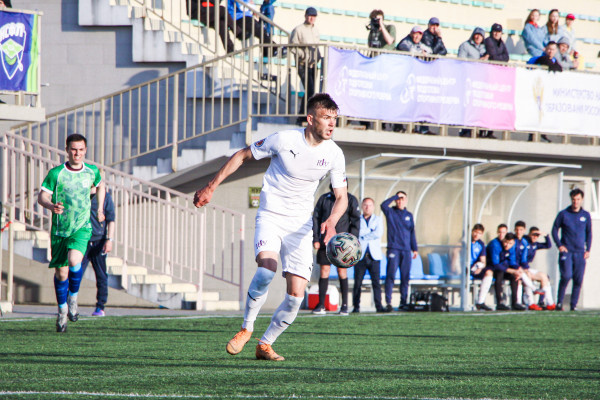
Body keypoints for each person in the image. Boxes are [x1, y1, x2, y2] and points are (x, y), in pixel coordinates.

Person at [193, 93, 347, 361]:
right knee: (266, 270)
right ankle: (246, 328)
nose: (332, 123)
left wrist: (332, 221)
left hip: (300, 227)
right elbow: (242, 155)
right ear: (311, 119)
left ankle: (265, 344)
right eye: (326, 117)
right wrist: (211, 186)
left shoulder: (334, 153)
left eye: (335, 118)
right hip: (271, 216)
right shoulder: (284, 139)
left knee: (296, 297)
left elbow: (341, 196)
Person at [37, 134, 105, 332]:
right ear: (67, 150)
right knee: (61, 273)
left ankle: (73, 299)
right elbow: (42, 196)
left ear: (85, 150)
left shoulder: (91, 171)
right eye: (74, 149)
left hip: (81, 227)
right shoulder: (56, 173)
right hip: (60, 230)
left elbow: (101, 186)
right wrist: (51, 206)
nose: (77, 153)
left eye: (81, 149)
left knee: (75, 261)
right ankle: (62, 310)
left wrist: (100, 208)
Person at [312, 184, 360, 316]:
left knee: (342, 271)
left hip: (343, 245)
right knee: (324, 271)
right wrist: (316, 238)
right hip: (325, 241)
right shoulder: (324, 199)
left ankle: (344, 306)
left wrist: (352, 241)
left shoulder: (350, 199)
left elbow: (356, 221)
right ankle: (321, 305)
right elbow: (316, 218)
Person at [552, 188, 592, 311]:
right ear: (571, 199)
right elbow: (554, 229)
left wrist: (588, 249)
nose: (576, 202)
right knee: (566, 276)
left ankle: (573, 305)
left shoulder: (585, 215)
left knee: (578, 279)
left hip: (580, 252)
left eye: (578, 199)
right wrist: (559, 245)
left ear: (582, 199)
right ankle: (559, 303)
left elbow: (589, 233)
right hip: (567, 251)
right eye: (574, 199)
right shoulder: (563, 214)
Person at [80, 188, 116, 317]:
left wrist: (109, 240)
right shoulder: (81, 194)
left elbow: (111, 220)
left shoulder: (105, 197)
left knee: (101, 276)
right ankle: (68, 304)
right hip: (82, 241)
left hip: (99, 241)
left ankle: (100, 306)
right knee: (75, 274)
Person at [380, 191, 418, 312]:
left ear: (406, 201)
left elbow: (412, 233)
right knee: (390, 275)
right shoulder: (390, 212)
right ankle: (388, 302)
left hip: (406, 250)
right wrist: (395, 196)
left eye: (402, 199)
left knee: (405, 277)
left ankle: (403, 302)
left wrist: (415, 248)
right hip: (394, 249)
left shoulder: (409, 215)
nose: (400, 201)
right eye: (398, 199)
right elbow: (383, 205)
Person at [352, 197, 385, 313]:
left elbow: (378, 233)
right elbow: (356, 233)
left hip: (374, 256)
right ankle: (356, 306)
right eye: (365, 205)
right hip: (360, 256)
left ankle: (379, 306)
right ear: (362, 206)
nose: (367, 207)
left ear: (373, 207)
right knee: (357, 283)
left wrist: (363, 236)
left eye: (370, 205)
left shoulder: (378, 219)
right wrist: (370, 232)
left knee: (376, 283)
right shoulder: (357, 219)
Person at [290, 7, 321, 123]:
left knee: (310, 91)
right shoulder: (299, 29)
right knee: (310, 89)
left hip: (313, 64)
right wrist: (302, 55)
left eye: (313, 16)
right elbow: (292, 46)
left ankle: (303, 115)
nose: (311, 18)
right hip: (302, 64)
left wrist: (318, 56)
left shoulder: (315, 30)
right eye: (309, 16)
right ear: (305, 16)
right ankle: (303, 115)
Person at [457, 27, 488, 138]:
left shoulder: (485, 48)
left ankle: (478, 130)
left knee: (479, 106)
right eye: (476, 34)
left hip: (480, 81)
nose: (478, 37)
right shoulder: (465, 46)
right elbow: (461, 61)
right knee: (467, 105)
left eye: (480, 35)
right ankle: (465, 129)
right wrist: (478, 62)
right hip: (468, 80)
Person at [486, 226, 525, 311]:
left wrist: (518, 269)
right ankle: (499, 303)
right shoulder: (495, 245)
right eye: (500, 232)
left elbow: (512, 262)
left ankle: (515, 303)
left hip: (503, 269)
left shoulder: (511, 246)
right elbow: (495, 264)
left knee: (514, 276)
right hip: (492, 269)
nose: (507, 245)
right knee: (500, 273)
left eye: (503, 232)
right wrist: (512, 270)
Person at [518, 225, 556, 310]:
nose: (535, 237)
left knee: (544, 276)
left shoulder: (535, 244)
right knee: (528, 275)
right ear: (529, 234)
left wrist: (546, 235)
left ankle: (550, 303)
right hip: (520, 267)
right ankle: (531, 303)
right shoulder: (524, 241)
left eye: (537, 235)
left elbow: (548, 245)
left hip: (527, 267)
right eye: (533, 235)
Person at [469, 224, 493, 311]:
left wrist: (480, 267)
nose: (476, 235)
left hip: (474, 268)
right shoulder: (465, 241)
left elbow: (483, 261)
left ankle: (480, 302)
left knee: (489, 272)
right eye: (475, 232)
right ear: (472, 231)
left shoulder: (481, 244)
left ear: (481, 234)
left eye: (479, 233)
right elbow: (456, 252)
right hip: (465, 268)